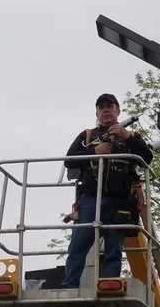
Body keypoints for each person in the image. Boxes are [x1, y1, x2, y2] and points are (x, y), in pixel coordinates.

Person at [61, 94, 153, 289]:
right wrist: (94, 152)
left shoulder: (131, 138)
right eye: (101, 108)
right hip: (90, 200)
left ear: (118, 110)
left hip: (119, 201)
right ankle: (70, 285)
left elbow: (147, 157)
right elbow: (69, 160)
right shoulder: (87, 136)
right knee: (78, 245)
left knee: (114, 247)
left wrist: (127, 136)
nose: (106, 111)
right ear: (97, 113)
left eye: (110, 107)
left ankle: (109, 283)